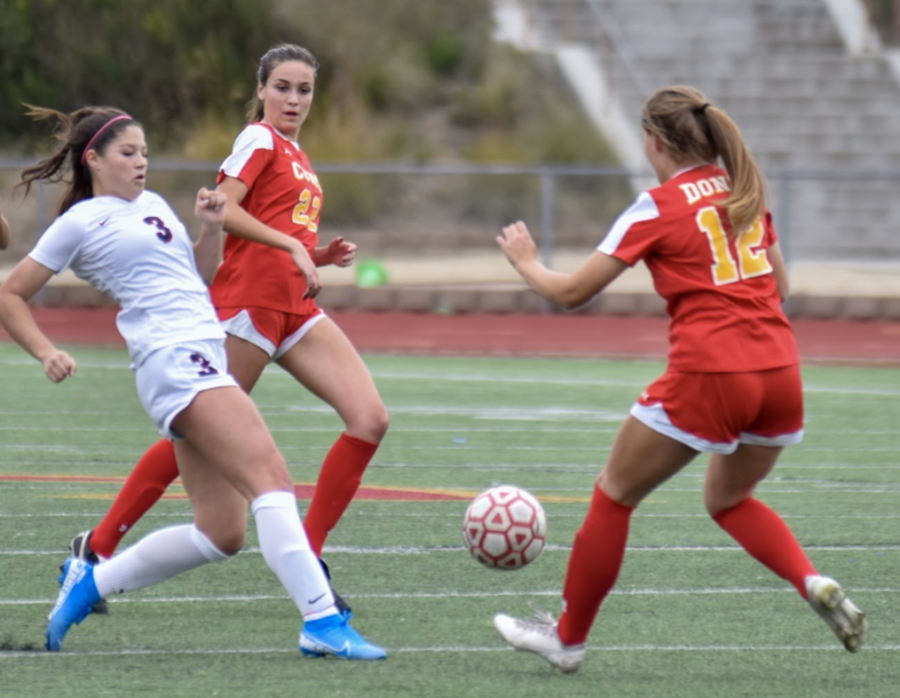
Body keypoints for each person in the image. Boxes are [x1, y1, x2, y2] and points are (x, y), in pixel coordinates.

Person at [491, 86, 867, 672]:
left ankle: (568, 639)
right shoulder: (746, 192)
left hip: (713, 372)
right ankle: (811, 579)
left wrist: (524, 261)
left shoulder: (657, 205)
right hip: (781, 373)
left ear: (656, 142)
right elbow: (783, 289)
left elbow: (571, 293)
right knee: (729, 498)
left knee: (614, 493)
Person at [0, 105, 385, 659]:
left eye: (146, 153)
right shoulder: (81, 221)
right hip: (173, 359)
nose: (141, 163)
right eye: (128, 153)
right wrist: (45, 351)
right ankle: (320, 620)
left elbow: (199, 276)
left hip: (199, 350)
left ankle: (91, 583)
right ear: (95, 160)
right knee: (271, 478)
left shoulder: (154, 206)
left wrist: (209, 230)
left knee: (221, 534)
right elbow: (11, 294)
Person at [66, 43, 389, 618]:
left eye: (305, 89)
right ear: (261, 89)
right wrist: (293, 243)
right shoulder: (258, 138)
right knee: (196, 437)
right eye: (283, 87)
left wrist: (315, 250)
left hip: (295, 308)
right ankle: (95, 548)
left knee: (370, 419)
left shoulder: (297, 153)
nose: (293, 98)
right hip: (245, 308)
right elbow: (225, 208)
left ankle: (309, 558)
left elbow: (269, 229)